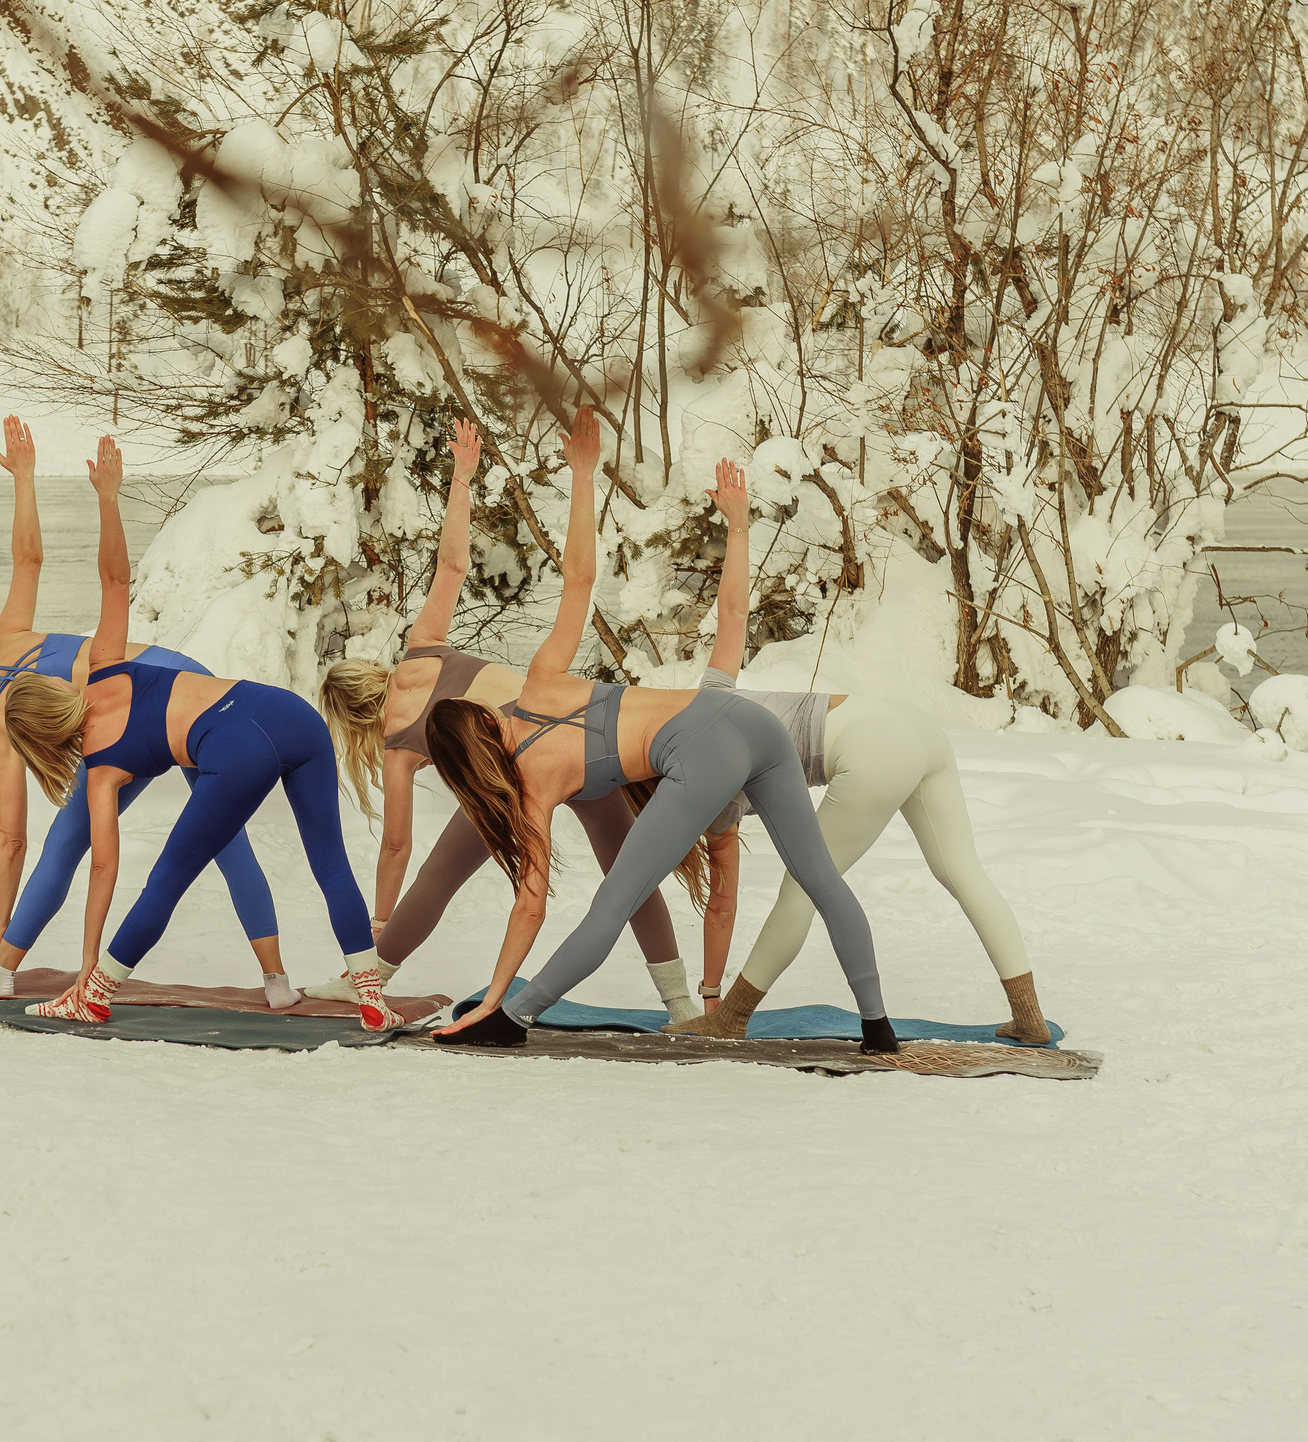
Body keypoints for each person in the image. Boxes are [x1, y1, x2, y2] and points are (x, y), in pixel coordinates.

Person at [421, 421, 899, 1051]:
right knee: (822, 882)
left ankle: (513, 1019)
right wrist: (585, 474)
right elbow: (581, 580)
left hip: (703, 751)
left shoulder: (532, 789)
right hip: (751, 723)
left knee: (613, 905)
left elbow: (529, 907)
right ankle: (878, 1026)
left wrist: (493, 999)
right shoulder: (541, 682)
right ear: (481, 718)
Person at [0, 437, 399, 1029]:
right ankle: (372, 997)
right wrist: (108, 499)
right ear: (54, 694)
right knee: (331, 863)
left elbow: (103, 870)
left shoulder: (101, 770)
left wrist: (86, 963)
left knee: (167, 879)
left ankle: (94, 994)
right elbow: (114, 580)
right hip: (290, 714)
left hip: (236, 748)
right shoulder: (105, 670)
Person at [310, 418, 696, 1020]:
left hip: (512, 767)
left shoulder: (396, 746)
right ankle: (681, 1004)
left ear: (351, 718)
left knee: (439, 876)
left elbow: (396, 845)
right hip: (572, 737)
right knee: (628, 874)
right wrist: (461, 479)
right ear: (370, 671)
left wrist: (379, 919)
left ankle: (369, 977)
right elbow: (452, 567)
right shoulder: (422, 650)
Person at [0, 417, 292, 1008]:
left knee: (65, 845)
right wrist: (25, 478)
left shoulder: (4, 732)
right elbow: (29, 560)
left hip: (134, 711)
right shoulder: (6, 644)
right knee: (224, 835)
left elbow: (13, 843)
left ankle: (0, 968)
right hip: (186, 678)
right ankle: (276, 981)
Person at [666, 462, 1052, 1044]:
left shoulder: (699, 774)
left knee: (803, 885)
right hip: (913, 729)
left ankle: (733, 1018)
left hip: (870, 749)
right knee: (962, 871)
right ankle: (1029, 1016)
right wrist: (739, 526)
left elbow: (722, 898)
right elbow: (732, 617)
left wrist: (713, 995)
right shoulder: (711, 701)